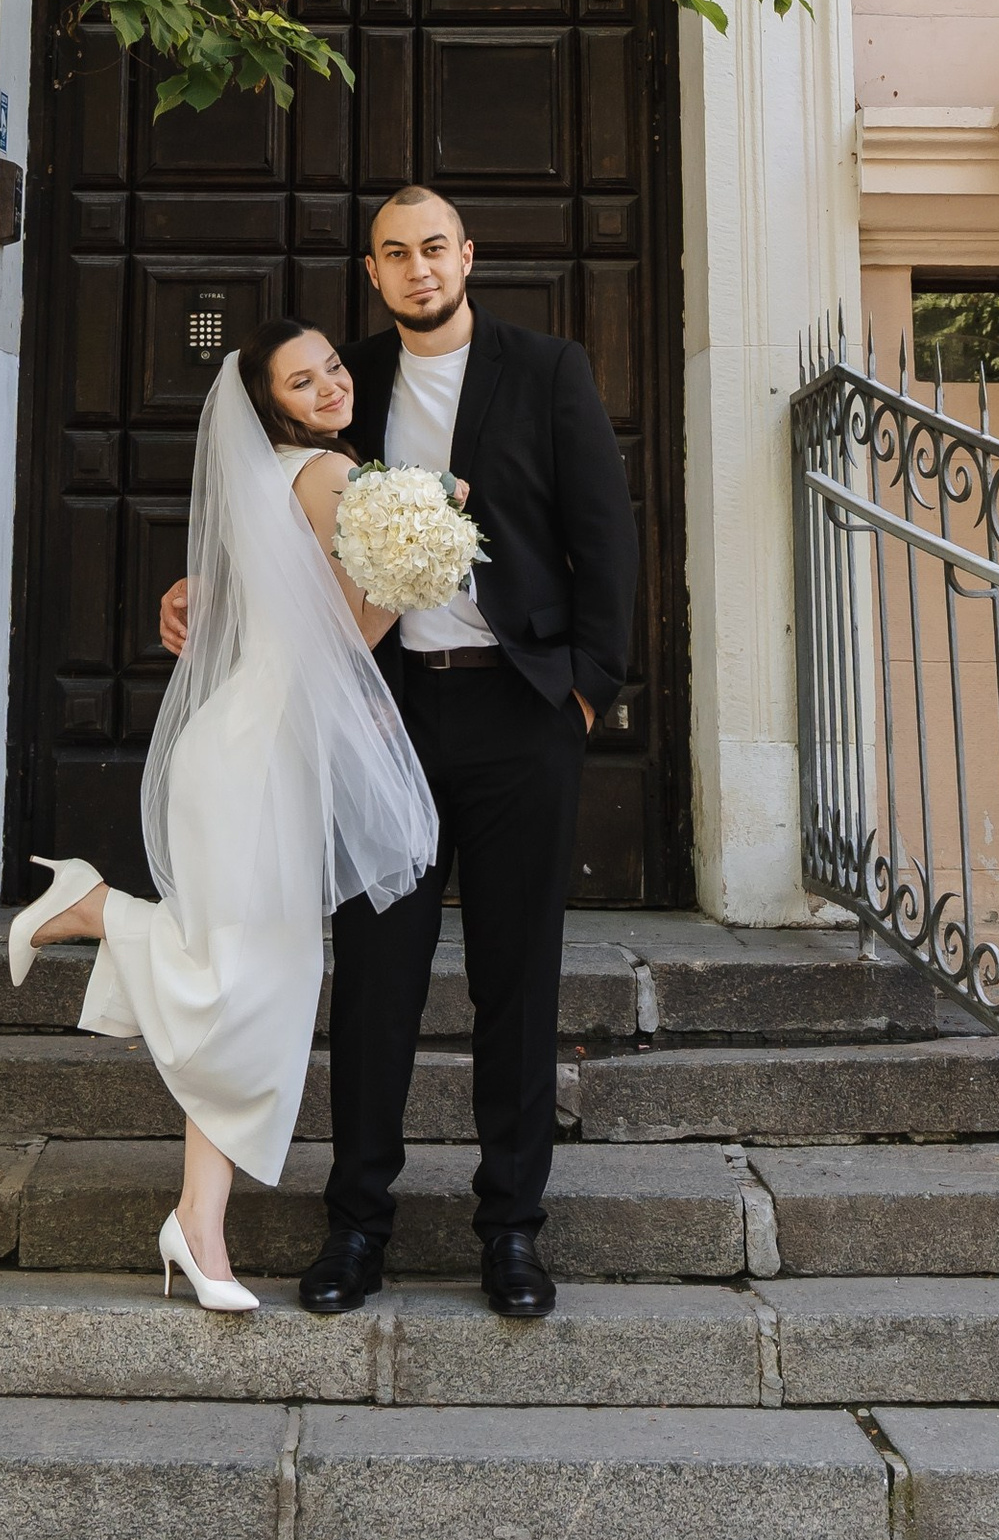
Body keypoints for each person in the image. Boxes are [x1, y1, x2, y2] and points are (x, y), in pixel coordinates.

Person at [161, 185, 640, 1323]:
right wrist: (205, 588)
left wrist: (583, 694)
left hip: (523, 715)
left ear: (467, 254)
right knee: (375, 984)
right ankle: (357, 1228)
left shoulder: (547, 368)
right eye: (395, 254)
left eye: (435, 247)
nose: (419, 269)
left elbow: (605, 538)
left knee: (515, 985)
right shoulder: (345, 383)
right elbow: (274, 516)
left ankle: (511, 1231)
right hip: (383, 718)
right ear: (371, 274)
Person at [5, 321, 435, 1311]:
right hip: (252, 762)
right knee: (246, 983)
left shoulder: (295, 474)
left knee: (261, 993)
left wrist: (403, 560)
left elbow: (286, 615)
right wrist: (415, 573)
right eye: (303, 378)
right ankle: (97, 908)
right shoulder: (326, 477)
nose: (329, 384)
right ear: (274, 405)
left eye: (331, 366)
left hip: (252, 750)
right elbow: (349, 640)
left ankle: (198, 1226)